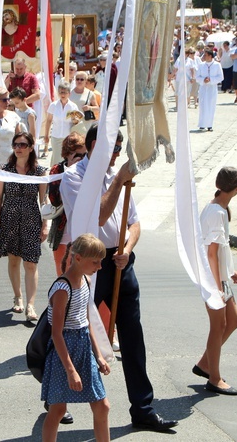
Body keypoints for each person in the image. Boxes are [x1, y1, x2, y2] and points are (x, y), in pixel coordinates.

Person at [60, 124, 178, 432]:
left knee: (132, 336)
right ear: (96, 146)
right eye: (112, 149)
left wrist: (126, 247)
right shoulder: (74, 177)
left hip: (120, 262)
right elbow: (96, 216)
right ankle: (57, 398)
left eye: (119, 150)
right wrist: (120, 181)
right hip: (87, 265)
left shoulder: (117, 174)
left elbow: (134, 222)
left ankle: (143, 407)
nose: (116, 156)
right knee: (72, 330)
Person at [42, 234, 111, 442]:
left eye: (101, 262)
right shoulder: (63, 288)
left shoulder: (86, 280)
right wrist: (71, 371)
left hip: (84, 347)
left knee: (102, 406)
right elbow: (56, 333)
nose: (99, 267)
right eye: (95, 262)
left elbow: (86, 321)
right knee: (58, 410)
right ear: (78, 258)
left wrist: (98, 355)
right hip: (64, 352)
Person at [193, 167, 237, 396]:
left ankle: (205, 363)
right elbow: (210, 253)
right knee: (219, 325)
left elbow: (218, 251)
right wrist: (216, 287)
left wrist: (230, 271)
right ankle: (214, 377)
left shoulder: (218, 209)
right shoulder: (216, 212)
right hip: (213, 280)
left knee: (233, 320)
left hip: (220, 277)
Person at [0, 132, 49, 321]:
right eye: (16, 144)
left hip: (32, 219)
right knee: (14, 260)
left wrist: (45, 225)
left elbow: (44, 200)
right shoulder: (5, 169)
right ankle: (18, 297)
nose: (18, 148)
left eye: (23, 145)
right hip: (10, 219)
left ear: (31, 147)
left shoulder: (40, 171)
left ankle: (31, 305)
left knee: (31, 263)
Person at [47, 133, 86, 276]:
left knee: (83, 273)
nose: (82, 159)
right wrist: (70, 172)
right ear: (68, 154)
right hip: (63, 228)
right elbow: (54, 199)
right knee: (63, 271)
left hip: (82, 228)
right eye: (78, 155)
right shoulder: (57, 170)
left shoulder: (87, 169)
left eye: (85, 155)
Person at [44, 81, 80, 166]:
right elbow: (49, 120)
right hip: (56, 136)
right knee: (56, 158)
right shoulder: (53, 105)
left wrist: (74, 118)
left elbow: (77, 123)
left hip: (68, 137)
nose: (62, 94)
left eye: (64, 92)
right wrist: (46, 135)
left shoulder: (73, 106)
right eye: (60, 92)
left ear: (69, 93)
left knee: (67, 159)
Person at [196, 49, 224, 132]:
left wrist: (211, 79)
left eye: (206, 55)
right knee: (203, 105)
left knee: (211, 106)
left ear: (210, 56)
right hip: (203, 88)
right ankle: (202, 124)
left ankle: (209, 125)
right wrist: (203, 80)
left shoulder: (217, 65)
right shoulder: (201, 65)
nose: (204, 57)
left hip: (212, 88)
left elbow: (220, 77)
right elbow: (197, 77)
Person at [69, 71, 99, 136]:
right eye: (77, 79)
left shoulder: (90, 93)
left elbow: (97, 108)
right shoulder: (69, 93)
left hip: (86, 124)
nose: (79, 81)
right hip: (72, 123)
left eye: (82, 79)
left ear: (86, 81)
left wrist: (89, 108)